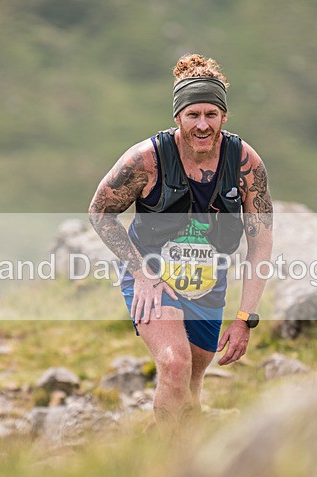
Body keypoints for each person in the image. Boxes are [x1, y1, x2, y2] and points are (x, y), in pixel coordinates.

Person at [88, 53, 273, 431]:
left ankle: (182, 462)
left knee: (189, 384)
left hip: (207, 285)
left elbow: (261, 243)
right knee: (174, 363)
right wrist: (140, 273)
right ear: (178, 118)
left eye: (211, 114)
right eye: (193, 115)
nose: (202, 125)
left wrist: (245, 319)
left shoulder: (245, 163)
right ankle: (163, 472)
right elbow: (99, 211)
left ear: (224, 116)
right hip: (152, 280)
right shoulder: (147, 160)